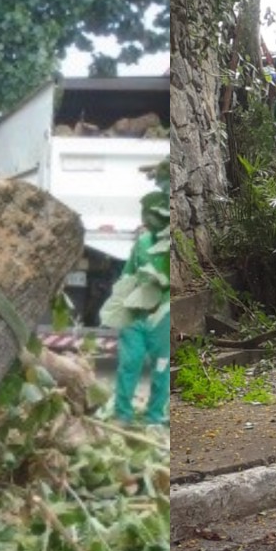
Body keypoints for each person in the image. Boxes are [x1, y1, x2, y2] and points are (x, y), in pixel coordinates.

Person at [101, 164, 170, 426]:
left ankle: (155, 416)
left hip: (162, 320)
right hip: (136, 317)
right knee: (129, 364)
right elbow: (127, 276)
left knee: (162, 369)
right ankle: (123, 414)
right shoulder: (141, 244)